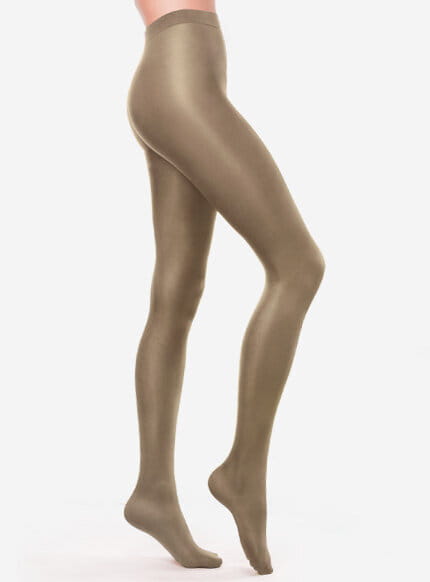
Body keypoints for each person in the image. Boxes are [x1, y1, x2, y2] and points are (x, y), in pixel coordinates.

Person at [124, 0, 325, 575]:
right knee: (298, 266)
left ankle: (154, 491)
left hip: (172, 75)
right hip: (182, 82)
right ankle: (242, 472)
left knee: (177, 293)